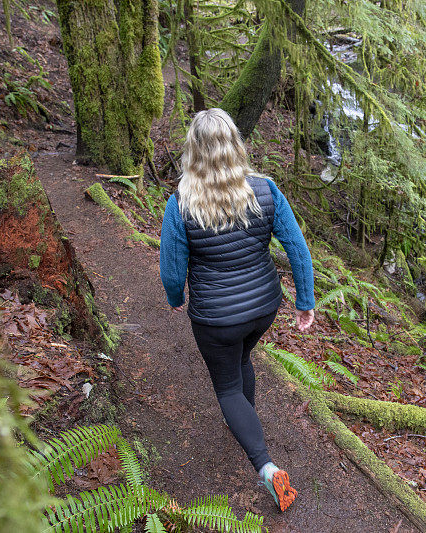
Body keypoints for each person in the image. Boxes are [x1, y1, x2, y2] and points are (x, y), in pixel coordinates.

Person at [159, 108, 315, 512]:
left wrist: (176, 298)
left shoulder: (180, 203)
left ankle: (266, 467)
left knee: (227, 386)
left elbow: (172, 269)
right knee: (243, 355)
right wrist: (304, 303)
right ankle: (245, 421)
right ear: (235, 144)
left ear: (193, 150)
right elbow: (297, 249)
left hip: (215, 317)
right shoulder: (264, 189)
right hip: (264, 307)